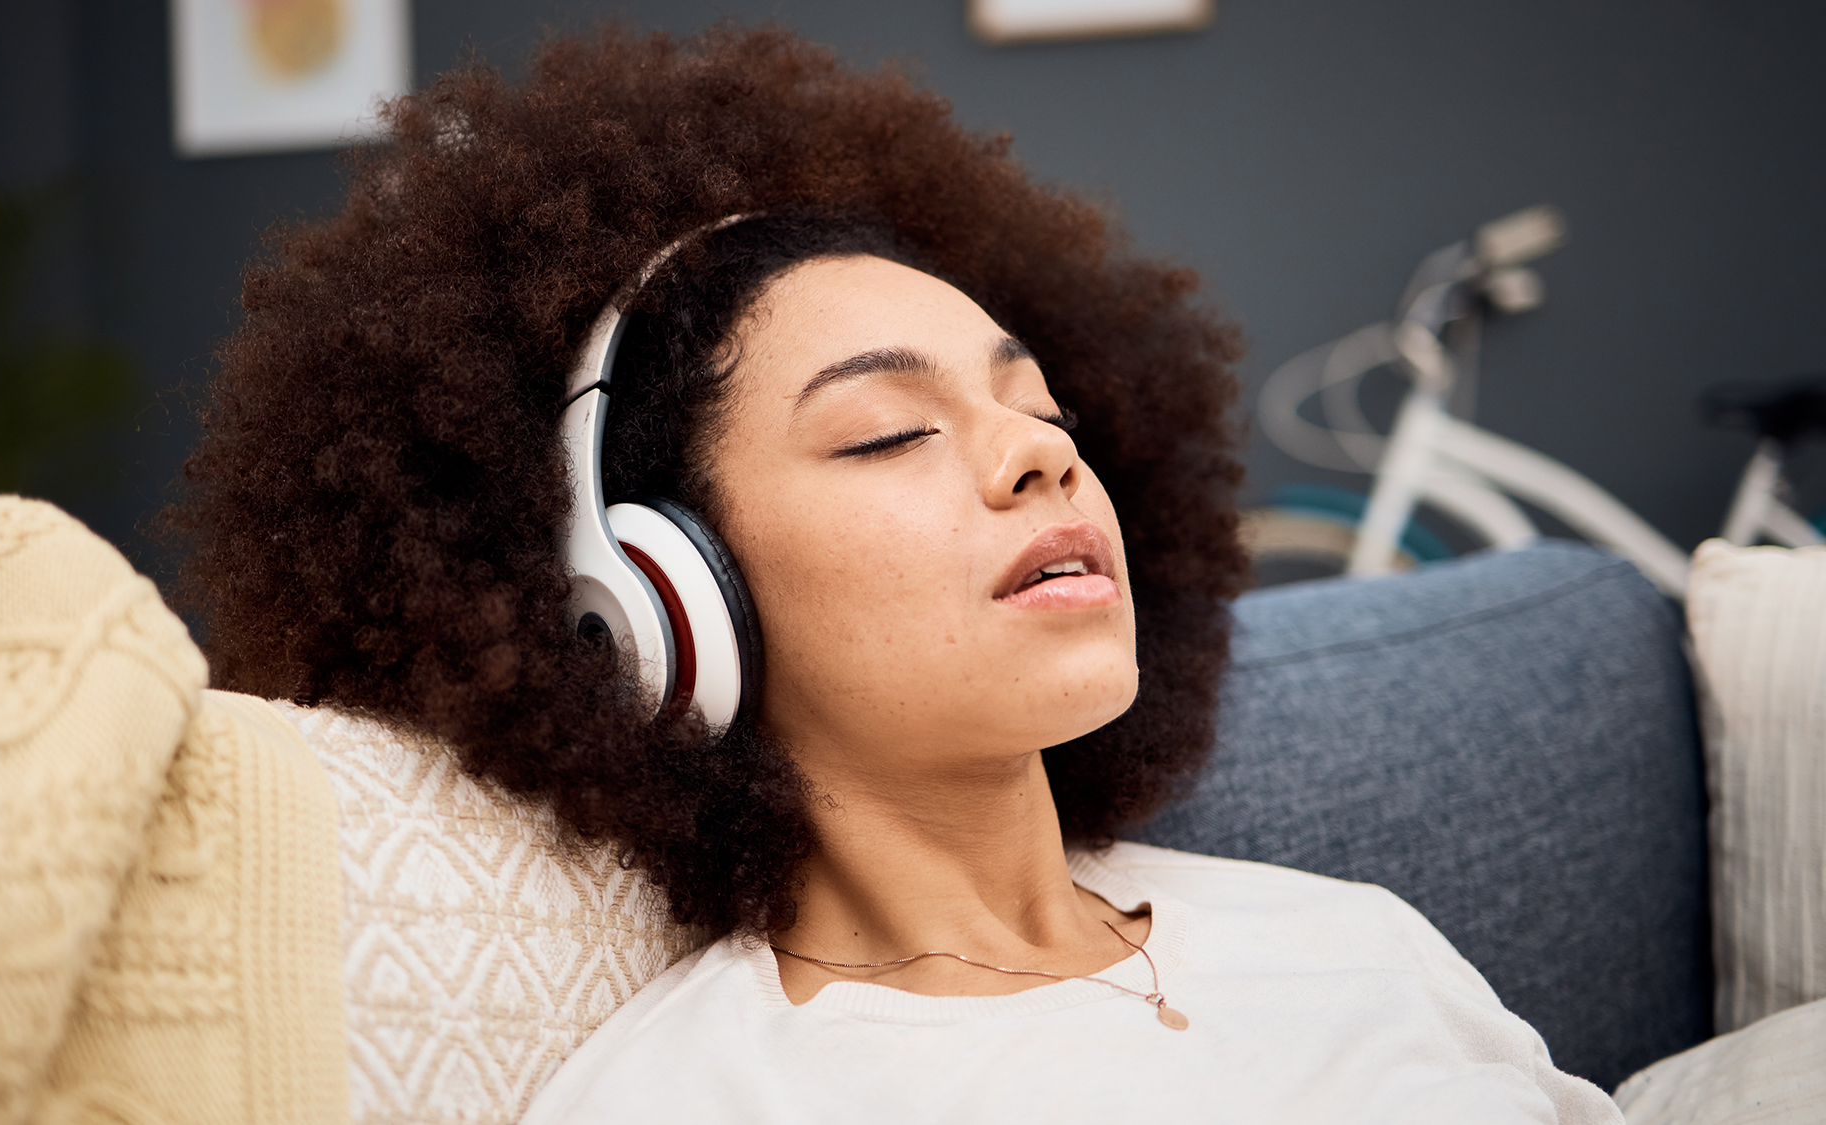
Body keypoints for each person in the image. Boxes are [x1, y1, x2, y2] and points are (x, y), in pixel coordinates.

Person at [170, 23, 1621, 1124]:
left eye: (1044, 411)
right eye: (887, 431)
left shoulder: (1359, 939)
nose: (1039, 461)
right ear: (658, 604)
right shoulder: (692, 1099)